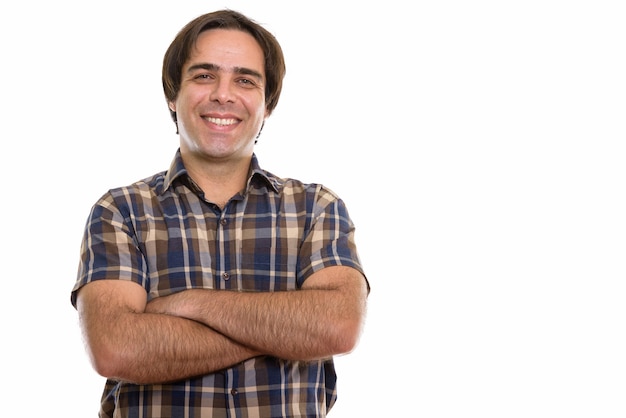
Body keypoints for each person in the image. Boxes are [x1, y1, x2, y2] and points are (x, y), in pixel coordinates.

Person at [70, 9, 369, 418]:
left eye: (245, 80)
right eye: (204, 75)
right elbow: (115, 348)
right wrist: (289, 330)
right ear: (173, 96)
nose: (223, 94)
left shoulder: (316, 209)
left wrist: (191, 305)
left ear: (267, 106)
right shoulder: (120, 212)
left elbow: (338, 327)